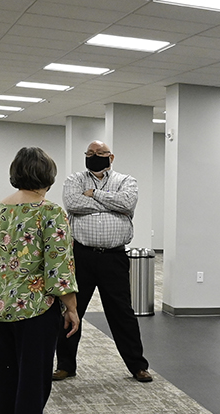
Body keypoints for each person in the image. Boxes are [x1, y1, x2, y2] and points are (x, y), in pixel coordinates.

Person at [0, 147, 80, 414]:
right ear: (48, 177)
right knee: (33, 383)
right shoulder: (49, 212)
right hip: (35, 309)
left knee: (6, 380)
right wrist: (71, 307)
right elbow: (59, 267)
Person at [53, 140, 151, 384]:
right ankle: (65, 365)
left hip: (114, 257)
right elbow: (72, 203)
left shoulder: (126, 180)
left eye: (100, 153)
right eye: (90, 153)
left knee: (122, 313)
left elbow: (127, 203)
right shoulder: (74, 180)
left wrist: (95, 194)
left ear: (111, 157)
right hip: (81, 256)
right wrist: (112, 205)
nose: (94, 156)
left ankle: (137, 365)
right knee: (70, 310)